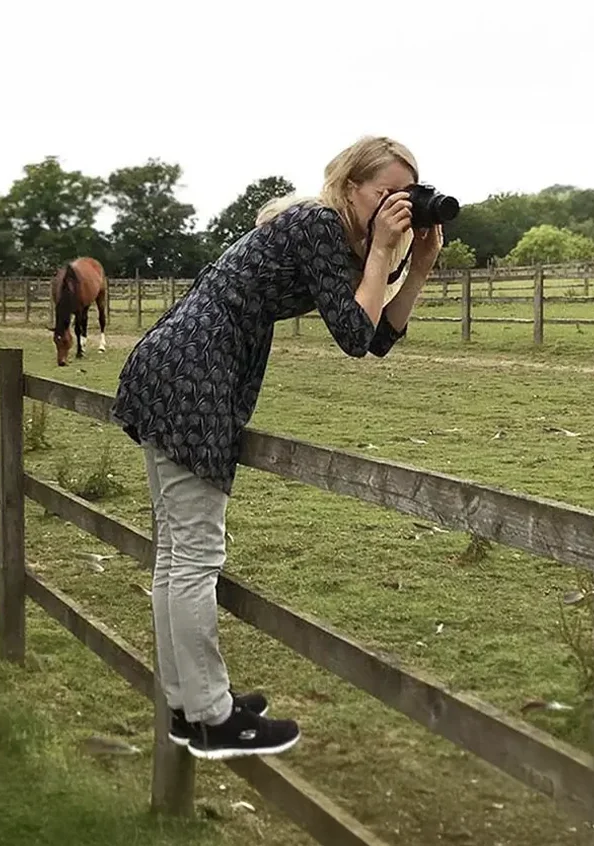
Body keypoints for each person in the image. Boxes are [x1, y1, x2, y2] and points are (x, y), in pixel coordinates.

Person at [111, 135, 444, 761]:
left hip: (184, 365)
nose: (397, 206)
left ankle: (188, 707)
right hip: (195, 375)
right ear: (350, 188)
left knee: (178, 551)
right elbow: (352, 336)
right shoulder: (318, 222)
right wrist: (379, 252)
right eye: (384, 193)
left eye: (406, 193)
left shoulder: (332, 237)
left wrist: (416, 265)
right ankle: (211, 717)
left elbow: (375, 340)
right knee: (196, 553)